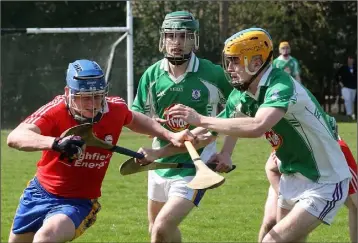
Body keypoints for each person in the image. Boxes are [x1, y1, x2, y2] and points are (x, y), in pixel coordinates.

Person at [167, 28, 352, 242]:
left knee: (271, 240)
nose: (229, 68)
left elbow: (258, 125)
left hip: (325, 181)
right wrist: (172, 144)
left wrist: (199, 119)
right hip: (292, 176)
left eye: (235, 61)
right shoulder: (244, 93)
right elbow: (217, 127)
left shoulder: (281, 87)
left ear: (256, 62)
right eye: (228, 61)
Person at [6, 59, 194, 243]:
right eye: (85, 97)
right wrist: (56, 143)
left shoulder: (114, 109)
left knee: (45, 238)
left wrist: (170, 135)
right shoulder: (56, 110)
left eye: (98, 96)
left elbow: (135, 119)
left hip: (78, 201)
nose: (93, 104)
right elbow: (15, 137)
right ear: (68, 93)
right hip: (39, 193)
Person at [131, 10, 233, 243]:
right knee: (156, 230)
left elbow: (240, 109)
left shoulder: (213, 74)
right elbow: (136, 115)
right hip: (159, 163)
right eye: (171, 36)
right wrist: (154, 126)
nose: (176, 43)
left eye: (183, 36)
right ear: (163, 39)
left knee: (161, 228)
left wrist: (226, 151)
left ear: (193, 39)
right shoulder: (152, 74)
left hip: (195, 165)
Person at [259, 135, 357, 243]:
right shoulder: (289, 140)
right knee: (270, 222)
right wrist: (283, 197)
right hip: (285, 180)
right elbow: (271, 169)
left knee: (293, 234)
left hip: (315, 187)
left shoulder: (336, 152)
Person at [335, 55, 357, 120]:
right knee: (348, 100)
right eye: (349, 59)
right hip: (345, 88)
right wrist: (340, 83)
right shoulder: (343, 68)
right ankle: (349, 115)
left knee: (352, 101)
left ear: (353, 60)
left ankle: (352, 114)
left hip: (354, 87)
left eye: (351, 59)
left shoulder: (355, 68)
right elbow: (336, 76)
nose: (350, 60)